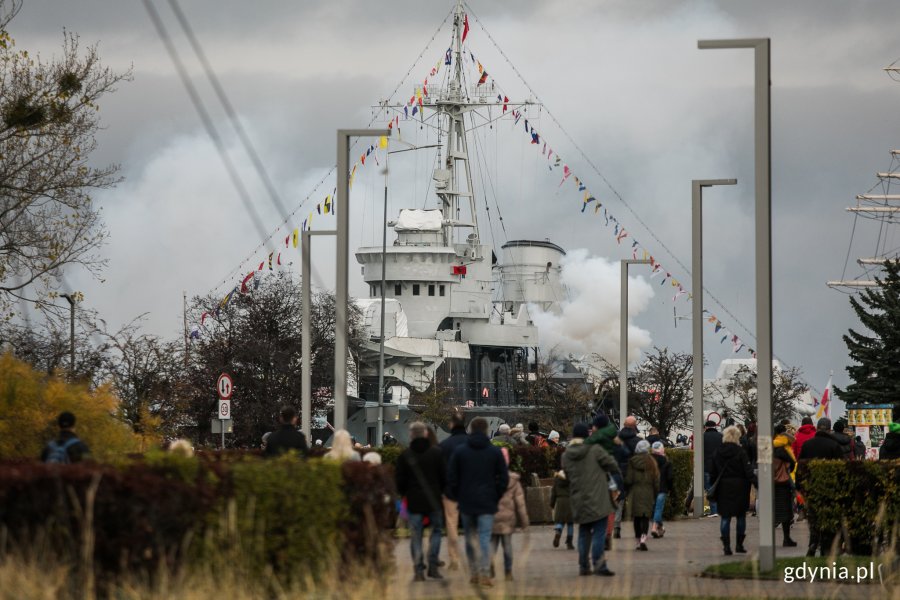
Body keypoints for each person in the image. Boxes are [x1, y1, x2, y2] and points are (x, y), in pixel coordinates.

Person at [447, 417, 509, 587]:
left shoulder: (460, 452)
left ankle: (473, 572)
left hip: (466, 501)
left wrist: (457, 495)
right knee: (484, 537)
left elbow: (452, 477)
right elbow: (503, 477)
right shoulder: (494, 452)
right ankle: (484, 573)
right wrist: (497, 494)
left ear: (471, 429)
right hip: (487, 500)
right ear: (485, 430)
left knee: (469, 537)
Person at [562, 423, 619, 576]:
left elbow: (567, 476)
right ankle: (599, 565)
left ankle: (583, 566)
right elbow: (612, 464)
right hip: (598, 498)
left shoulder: (566, 455)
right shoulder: (595, 450)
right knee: (599, 532)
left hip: (578, 499)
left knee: (583, 532)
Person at [395, 422, 447, 581]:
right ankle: (432, 565)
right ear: (425, 434)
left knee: (416, 535)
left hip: (414, 501)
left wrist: (406, 493)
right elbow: (444, 477)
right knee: (436, 532)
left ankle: (418, 569)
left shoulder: (405, 456)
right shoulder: (437, 453)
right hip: (434, 500)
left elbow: (399, 482)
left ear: (411, 435)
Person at [797, 417, 845, 557]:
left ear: (817, 428)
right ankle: (825, 548)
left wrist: (799, 485)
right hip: (830, 487)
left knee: (814, 518)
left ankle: (813, 544)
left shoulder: (807, 444)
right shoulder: (834, 446)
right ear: (829, 429)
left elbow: (800, 466)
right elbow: (841, 467)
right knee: (828, 518)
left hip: (811, 487)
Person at [710, 425, 755, 555]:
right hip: (740, 487)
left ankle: (726, 546)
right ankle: (739, 545)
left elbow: (713, 473)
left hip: (723, 488)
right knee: (741, 517)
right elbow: (748, 472)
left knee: (725, 517)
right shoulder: (740, 452)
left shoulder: (718, 452)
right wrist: (756, 483)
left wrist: (714, 485)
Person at [490, 447, 529, 581]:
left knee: (492, 544)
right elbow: (520, 504)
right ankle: (508, 572)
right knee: (507, 546)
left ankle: (490, 565)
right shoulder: (513, 481)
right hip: (508, 518)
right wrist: (525, 523)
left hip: (492, 516)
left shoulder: (489, 477)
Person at [439, 412, 468, 571]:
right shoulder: (471, 443)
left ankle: (454, 558)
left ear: (451, 425)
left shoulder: (444, 445)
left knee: (451, 526)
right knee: (473, 525)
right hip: (470, 491)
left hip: (450, 492)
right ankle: (474, 557)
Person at [625, 440, 659, 551]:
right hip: (648, 492)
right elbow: (656, 479)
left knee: (637, 517)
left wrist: (626, 489)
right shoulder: (652, 462)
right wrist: (656, 492)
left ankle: (638, 540)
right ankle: (644, 538)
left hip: (635, 492)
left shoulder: (632, 461)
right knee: (645, 517)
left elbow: (629, 479)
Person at [613, 415, 641, 538]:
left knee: (619, 500)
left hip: (618, 474)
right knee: (635, 500)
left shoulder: (616, 440)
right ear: (634, 426)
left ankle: (616, 526)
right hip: (634, 475)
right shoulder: (638, 442)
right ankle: (638, 527)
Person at [772, 424, 797, 547]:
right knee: (786, 512)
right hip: (783, 482)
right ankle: (786, 538)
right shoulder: (783, 448)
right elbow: (792, 462)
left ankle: (773, 538)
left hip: (771, 482)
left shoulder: (770, 445)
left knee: (774, 510)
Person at [650, 441, 673, 538]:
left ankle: (660, 527)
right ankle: (654, 528)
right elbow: (670, 477)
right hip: (662, 489)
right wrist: (671, 489)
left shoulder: (648, 461)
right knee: (658, 509)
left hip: (651, 488)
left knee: (653, 510)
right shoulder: (667, 462)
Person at [703, 420, 723, 516]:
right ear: (715, 426)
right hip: (719, 467)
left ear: (706, 427)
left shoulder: (702, 437)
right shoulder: (721, 436)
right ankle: (719, 510)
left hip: (706, 466)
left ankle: (713, 511)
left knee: (709, 489)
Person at [550, 469, 574, 549]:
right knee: (570, 523)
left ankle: (558, 532)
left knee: (560, 520)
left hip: (560, 502)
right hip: (570, 501)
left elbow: (553, 493)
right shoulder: (571, 479)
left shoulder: (557, 480)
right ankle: (569, 542)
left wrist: (552, 504)